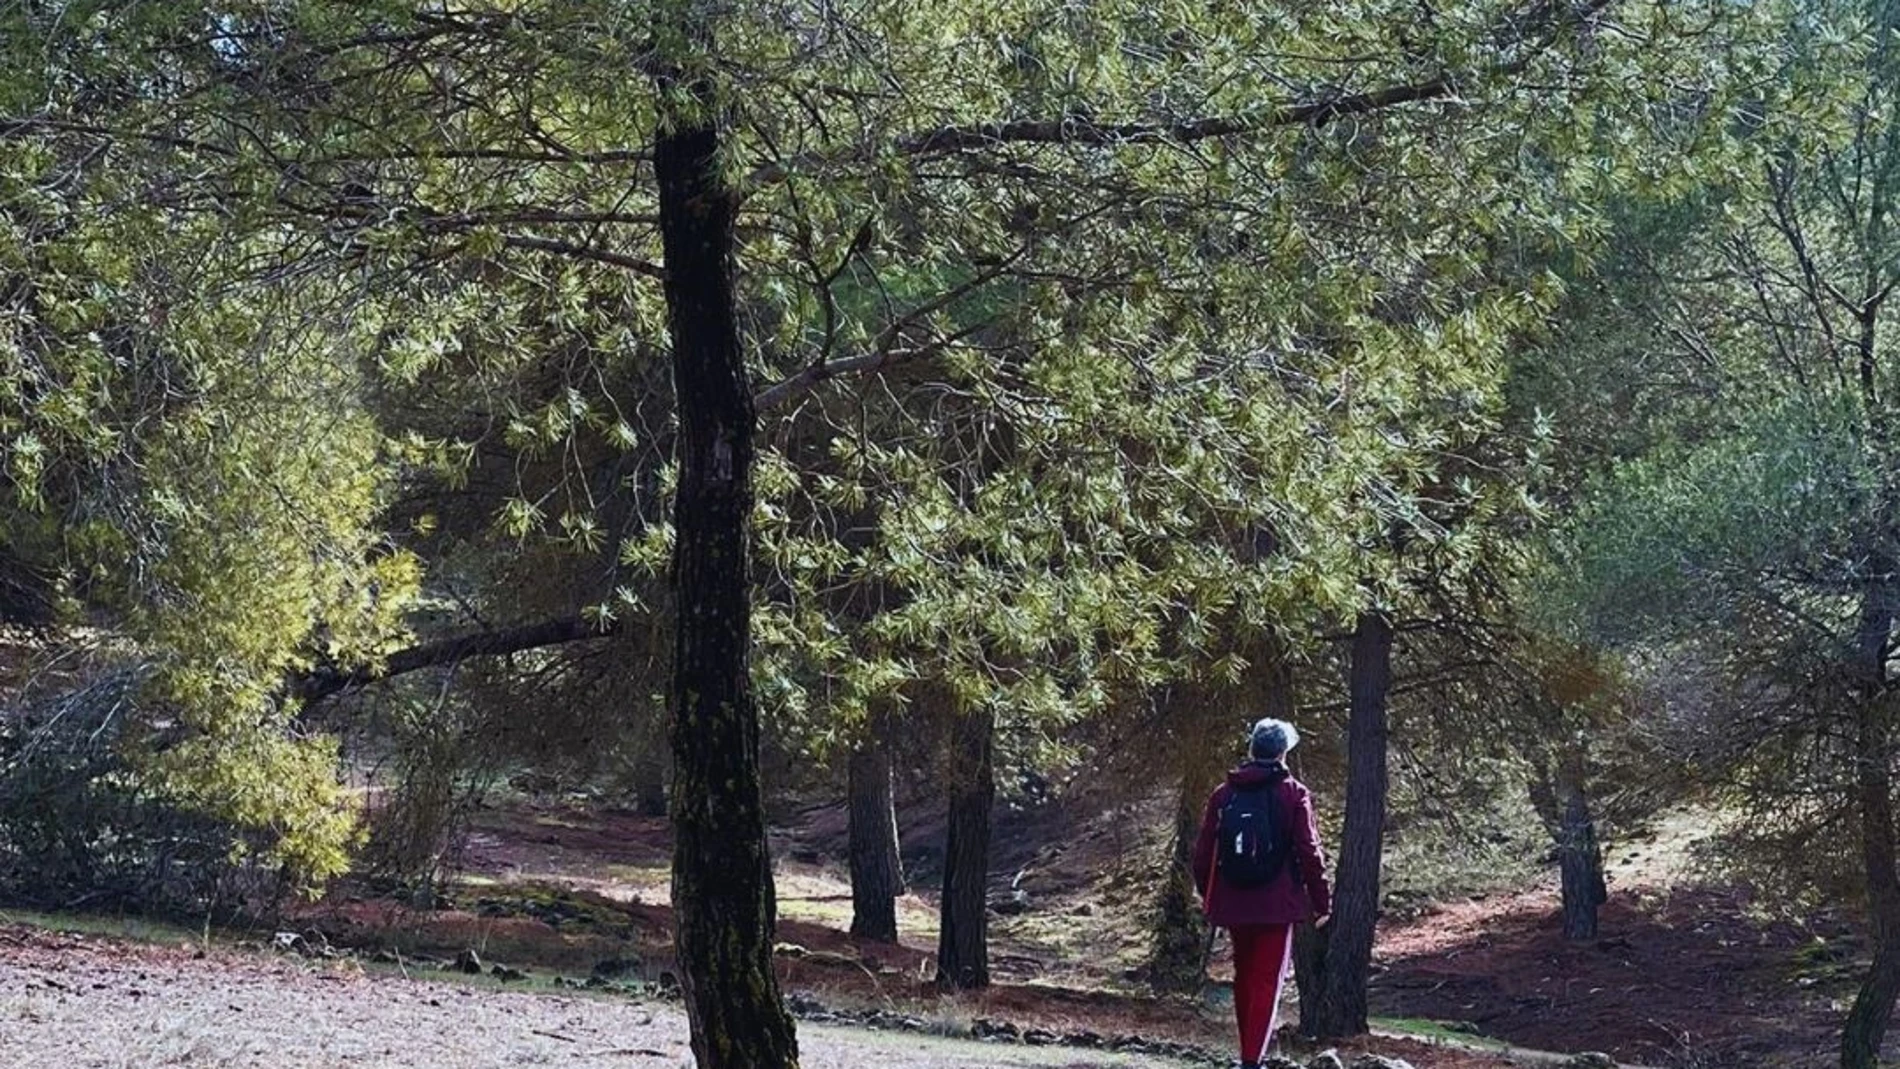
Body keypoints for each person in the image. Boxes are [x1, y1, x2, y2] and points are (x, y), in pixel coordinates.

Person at [1193, 717, 1331, 1069]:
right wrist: (1321, 901)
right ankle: (1251, 1061)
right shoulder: (1294, 793)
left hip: (1235, 901)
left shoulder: (1224, 794)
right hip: (1276, 903)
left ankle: (1247, 1053)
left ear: (1252, 748)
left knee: (1244, 975)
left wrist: (1206, 894)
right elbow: (1309, 850)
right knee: (1267, 980)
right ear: (1283, 752)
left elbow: (1204, 851)